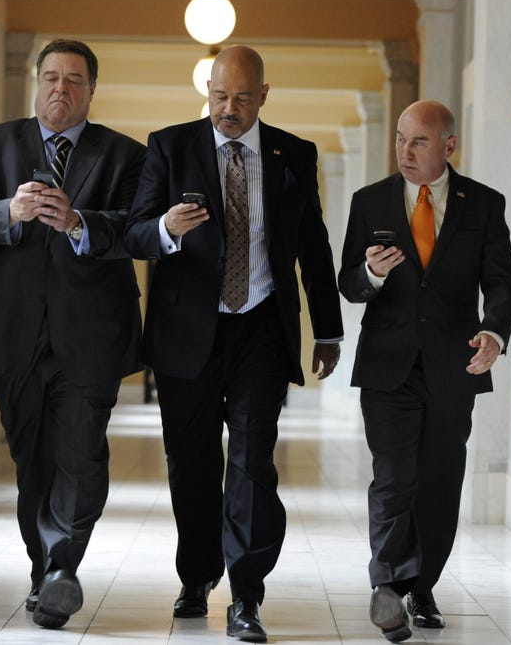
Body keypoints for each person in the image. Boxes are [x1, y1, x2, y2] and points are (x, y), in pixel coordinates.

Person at [124, 44, 344, 643]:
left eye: (242, 98)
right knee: (191, 465)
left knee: (252, 464)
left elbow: (313, 245)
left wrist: (327, 327)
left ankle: (247, 595)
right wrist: (166, 229)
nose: (228, 108)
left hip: (260, 329)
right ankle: (196, 577)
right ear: (208, 91)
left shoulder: (294, 153)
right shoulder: (169, 146)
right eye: (219, 96)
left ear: (264, 96)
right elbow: (136, 233)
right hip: (186, 332)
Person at [0, 38, 145, 630]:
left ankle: (62, 568)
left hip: (93, 332)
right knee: (32, 458)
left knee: (81, 453)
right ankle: (45, 573)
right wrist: (9, 210)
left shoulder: (125, 155)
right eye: (52, 78)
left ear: (91, 90)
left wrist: (81, 222)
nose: (62, 89)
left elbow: (137, 229)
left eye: (75, 81)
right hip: (12, 332)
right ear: (37, 83)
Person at [337, 99, 511, 642]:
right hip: (387, 366)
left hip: (452, 365)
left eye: (418, 141)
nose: (405, 151)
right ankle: (388, 587)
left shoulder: (483, 204)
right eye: (399, 139)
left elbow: (502, 281)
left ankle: (422, 587)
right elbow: (347, 283)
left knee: (439, 483)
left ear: (449, 146)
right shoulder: (369, 201)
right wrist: (370, 272)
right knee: (394, 477)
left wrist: (494, 332)